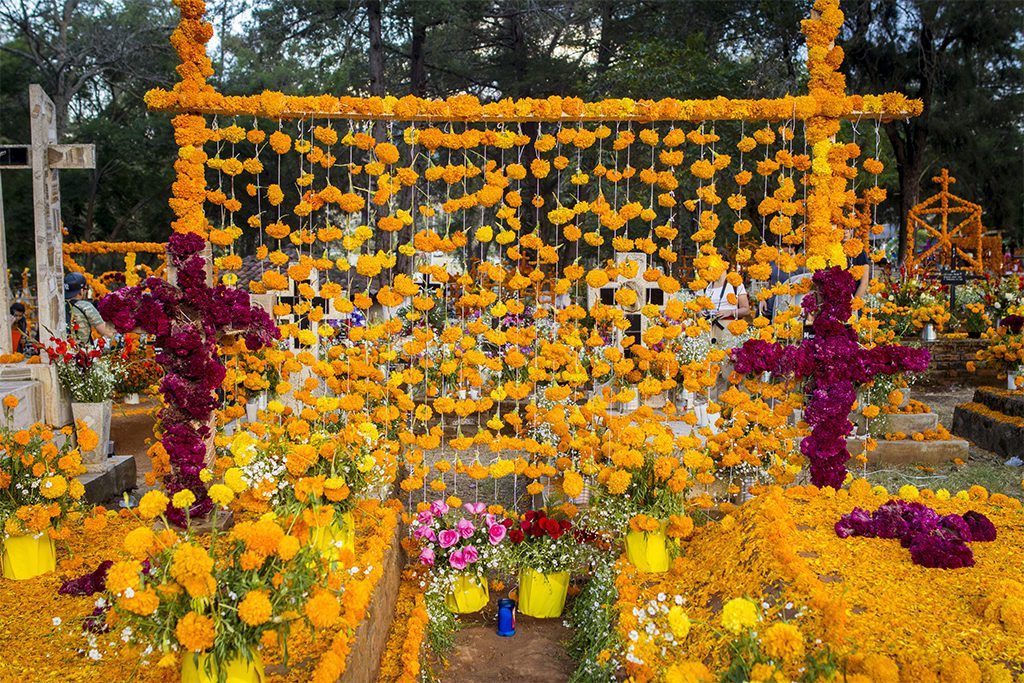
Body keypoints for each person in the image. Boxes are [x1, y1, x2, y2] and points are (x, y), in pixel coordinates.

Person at [704, 265, 750, 347]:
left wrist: (730, 312)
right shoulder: (707, 286)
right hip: (709, 329)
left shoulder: (735, 284)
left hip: (728, 329)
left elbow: (746, 310)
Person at [64, 272, 114, 344]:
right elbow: (107, 332)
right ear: (81, 291)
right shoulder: (85, 306)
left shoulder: (57, 306)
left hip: (63, 352)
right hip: (83, 352)